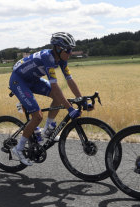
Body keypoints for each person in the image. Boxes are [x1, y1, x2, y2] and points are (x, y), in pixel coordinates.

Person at [9, 32, 93, 166]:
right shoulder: (48, 57)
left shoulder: (62, 58)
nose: (71, 53)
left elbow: (69, 80)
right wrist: (70, 108)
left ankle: (48, 129)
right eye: (68, 50)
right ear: (58, 49)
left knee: (57, 97)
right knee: (37, 116)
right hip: (19, 81)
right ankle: (18, 149)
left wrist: (81, 99)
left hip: (33, 79)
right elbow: (54, 86)